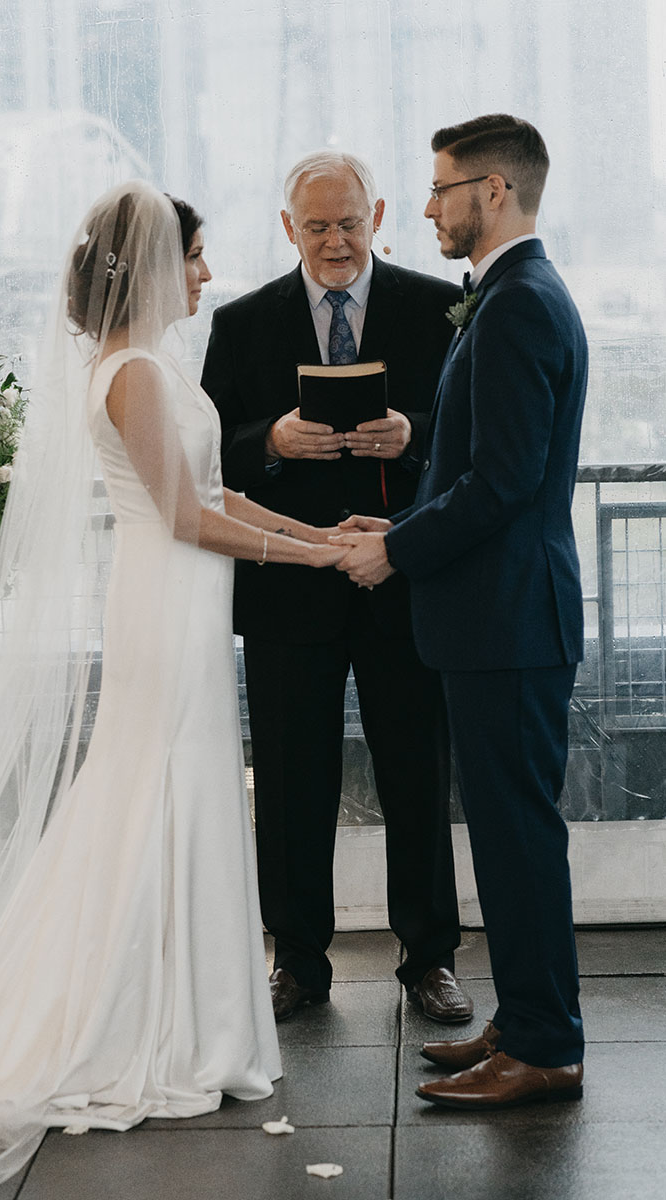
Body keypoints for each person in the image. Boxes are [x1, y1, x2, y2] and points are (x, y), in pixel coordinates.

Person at [0, 181, 345, 1199]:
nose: (205, 273)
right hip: (165, 603)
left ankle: (189, 1011)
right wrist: (314, 563)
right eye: (194, 256)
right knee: (157, 789)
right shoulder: (137, 372)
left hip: (184, 603)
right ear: (156, 263)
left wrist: (311, 537)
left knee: (181, 789)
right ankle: (145, 1018)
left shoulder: (149, 365)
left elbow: (215, 493)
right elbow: (184, 519)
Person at [333, 115, 588, 1109]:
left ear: (491, 191)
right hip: (496, 620)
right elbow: (474, 468)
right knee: (506, 835)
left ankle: (546, 1046)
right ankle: (525, 1021)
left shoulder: (519, 302)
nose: (429, 209)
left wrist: (392, 549)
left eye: (439, 190)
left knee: (518, 840)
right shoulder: (509, 295)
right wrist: (388, 516)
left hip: (509, 623)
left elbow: (504, 484)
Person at [201, 151, 473, 1023]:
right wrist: (272, 440)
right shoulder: (243, 323)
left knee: (416, 775)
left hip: (402, 578)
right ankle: (298, 964)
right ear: (288, 228)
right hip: (288, 591)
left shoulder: (440, 307)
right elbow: (204, 457)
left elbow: (472, 436)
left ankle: (429, 959)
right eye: (315, 226)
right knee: (287, 782)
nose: (335, 241)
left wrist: (414, 432)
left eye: (349, 223)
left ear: (379, 214)